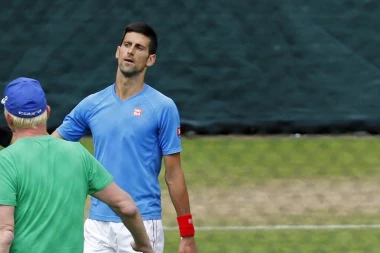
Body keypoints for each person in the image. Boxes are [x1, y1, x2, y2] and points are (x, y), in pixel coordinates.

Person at [51, 22, 198, 253]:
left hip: (143, 222)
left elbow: (174, 174)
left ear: (150, 59)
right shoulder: (92, 104)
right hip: (97, 224)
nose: (130, 51)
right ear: (117, 51)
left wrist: (187, 233)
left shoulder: (163, 107)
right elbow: (50, 147)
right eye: (127, 45)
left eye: (139, 48)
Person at [0, 77, 154, 253]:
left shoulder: (5, 162)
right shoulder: (78, 153)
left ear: (8, 119)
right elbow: (126, 206)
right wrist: (143, 244)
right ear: (47, 112)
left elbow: (4, 234)